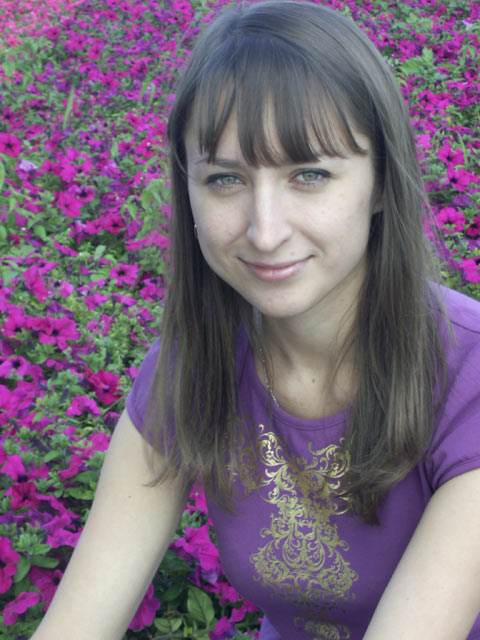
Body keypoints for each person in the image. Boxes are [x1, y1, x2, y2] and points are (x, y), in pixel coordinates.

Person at [31, 1, 480, 639]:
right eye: (225, 180)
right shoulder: (189, 371)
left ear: (381, 182)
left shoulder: (468, 379)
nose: (265, 232)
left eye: (310, 175)